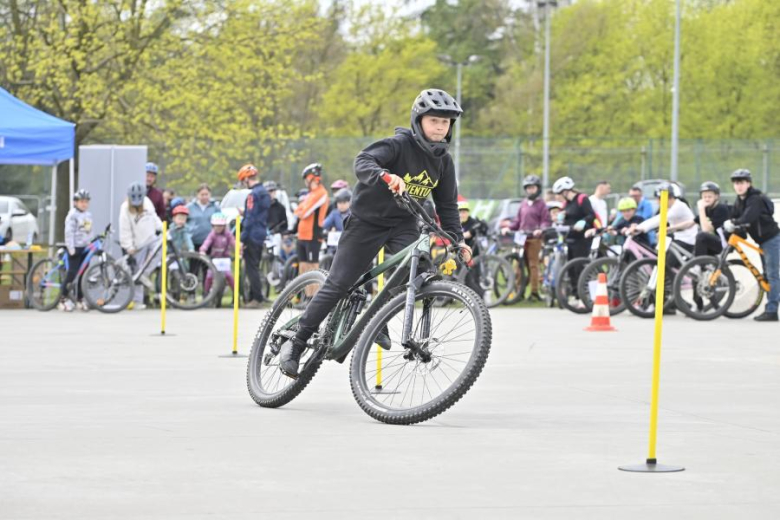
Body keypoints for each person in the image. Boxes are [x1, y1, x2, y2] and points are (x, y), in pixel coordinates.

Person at [279, 88, 472, 378]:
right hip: (367, 221)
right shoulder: (398, 144)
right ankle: (297, 341)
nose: (440, 127)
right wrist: (385, 176)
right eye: (434, 120)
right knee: (340, 282)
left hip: (404, 223)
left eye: (445, 123)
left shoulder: (443, 162)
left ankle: (376, 317)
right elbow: (363, 161)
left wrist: (458, 241)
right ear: (419, 121)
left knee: (419, 268)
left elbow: (447, 205)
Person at [723, 169, 780, 321]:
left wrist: (734, 223)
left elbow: (749, 216)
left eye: (741, 183)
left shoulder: (755, 199)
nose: (738, 186)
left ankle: (772, 311)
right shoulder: (739, 201)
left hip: (772, 239)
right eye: (736, 183)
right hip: (762, 241)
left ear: (748, 183)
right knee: (767, 275)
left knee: (772, 275)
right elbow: (734, 216)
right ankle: (771, 307)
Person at [635, 183, 698, 309]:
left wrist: (640, 228)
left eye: (659, 199)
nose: (658, 202)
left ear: (667, 197)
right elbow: (657, 219)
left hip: (688, 240)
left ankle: (674, 298)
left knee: (666, 267)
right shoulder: (670, 207)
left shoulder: (679, 206)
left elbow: (661, 219)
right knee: (661, 264)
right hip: (677, 238)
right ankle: (667, 301)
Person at [501, 174, 550, 301]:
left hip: (534, 239)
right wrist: (509, 228)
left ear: (537, 189)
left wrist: (540, 230)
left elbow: (546, 221)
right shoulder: (523, 204)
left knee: (533, 265)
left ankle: (534, 292)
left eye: (532, 188)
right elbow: (517, 221)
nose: (530, 190)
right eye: (528, 188)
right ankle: (519, 292)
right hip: (522, 238)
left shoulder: (541, 204)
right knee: (519, 266)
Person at [119, 182, 163, 309]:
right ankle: (137, 301)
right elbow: (124, 229)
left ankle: (146, 273)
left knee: (161, 247)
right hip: (137, 243)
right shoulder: (125, 208)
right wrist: (128, 246)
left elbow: (154, 217)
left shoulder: (148, 202)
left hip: (150, 238)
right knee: (136, 272)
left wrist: (162, 228)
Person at [552, 177, 598, 285]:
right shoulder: (566, 204)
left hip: (582, 239)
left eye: (558, 194)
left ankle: (583, 292)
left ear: (565, 191)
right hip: (570, 238)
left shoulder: (582, 199)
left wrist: (583, 221)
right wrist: (560, 218)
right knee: (570, 268)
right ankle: (574, 294)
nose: (557, 197)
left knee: (579, 267)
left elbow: (591, 215)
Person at [237, 164, 270, 308]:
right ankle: (254, 296)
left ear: (245, 179)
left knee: (252, 268)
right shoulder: (264, 192)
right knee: (255, 266)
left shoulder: (252, 194)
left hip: (252, 234)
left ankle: (256, 298)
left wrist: (242, 238)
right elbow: (258, 214)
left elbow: (250, 218)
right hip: (261, 232)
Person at [61, 189, 94, 311]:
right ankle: (63, 298)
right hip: (75, 248)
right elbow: (68, 233)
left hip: (85, 249)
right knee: (72, 273)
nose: (84, 204)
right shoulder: (72, 215)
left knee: (83, 275)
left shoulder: (88, 215)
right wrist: (71, 248)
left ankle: (80, 298)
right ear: (75, 203)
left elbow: (89, 231)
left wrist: (90, 244)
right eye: (81, 202)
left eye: (86, 202)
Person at [294, 163, 329, 276]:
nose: (305, 182)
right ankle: (305, 294)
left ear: (311, 178)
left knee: (312, 269)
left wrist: (301, 211)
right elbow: (297, 211)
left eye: (305, 179)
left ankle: (313, 294)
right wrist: (301, 211)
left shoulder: (321, 193)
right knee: (303, 268)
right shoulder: (310, 194)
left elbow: (303, 213)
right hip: (302, 235)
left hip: (312, 236)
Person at [200, 212, 236, 304]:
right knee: (209, 276)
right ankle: (206, 294)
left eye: (220, 226)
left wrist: (237, 249)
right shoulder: (212, 234)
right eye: (216, 226)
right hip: (214, 259)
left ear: (224, 226)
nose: (218, 228)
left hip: (225, 258)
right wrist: (203, 250)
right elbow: (207, 242)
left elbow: (233, 242)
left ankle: (236, 295)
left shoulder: (228, 234)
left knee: (229, 276)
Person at [693, 181, 730, 257]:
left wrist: (701, 209)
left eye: (709, 197)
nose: (706, 199)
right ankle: (702, 265)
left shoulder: (721, 208)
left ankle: (699, 266)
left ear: (716, 196)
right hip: (713, 241)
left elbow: (706, 230)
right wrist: (670, 228)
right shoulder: (707, 208)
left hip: (724, 242)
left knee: (701, 236)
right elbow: (691, 222)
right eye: (704, 197)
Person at [458, 199, 486, 298]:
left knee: (473, 277)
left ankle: (480, 296)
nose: (462, 214)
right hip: (460, 253)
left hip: (473, 254)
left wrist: (459, 236)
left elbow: (468, 235)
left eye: (464, 212)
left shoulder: (473, 222)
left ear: (468, 212)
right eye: (460, 212)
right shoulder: (457, 223)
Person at [186, 183, 220, 253]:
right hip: (194, 242)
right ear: (197, 195)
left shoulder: (215, 207)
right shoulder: (189, 207)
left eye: (206, 194)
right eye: (202, 194)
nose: (204, 197)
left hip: (210, 242)